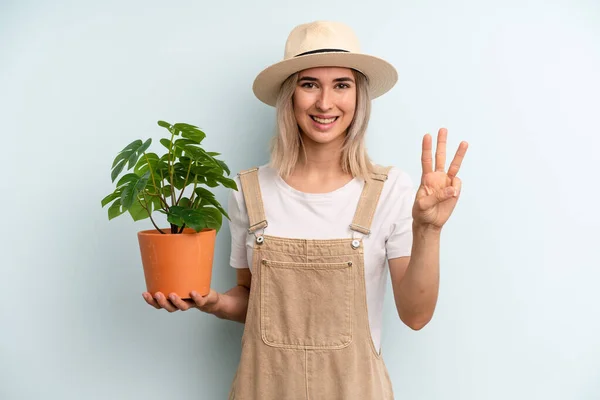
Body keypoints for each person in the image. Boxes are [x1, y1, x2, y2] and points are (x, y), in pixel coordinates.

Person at [142, 20, 468, 399]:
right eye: (309, 84)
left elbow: (415, 315)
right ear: (289, 96)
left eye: (341, 85)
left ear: (359, 97)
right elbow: (255, 301)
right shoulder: (249, 190)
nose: (325, 103)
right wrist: (215, 303)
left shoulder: (390, 189)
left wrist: (428, 229)